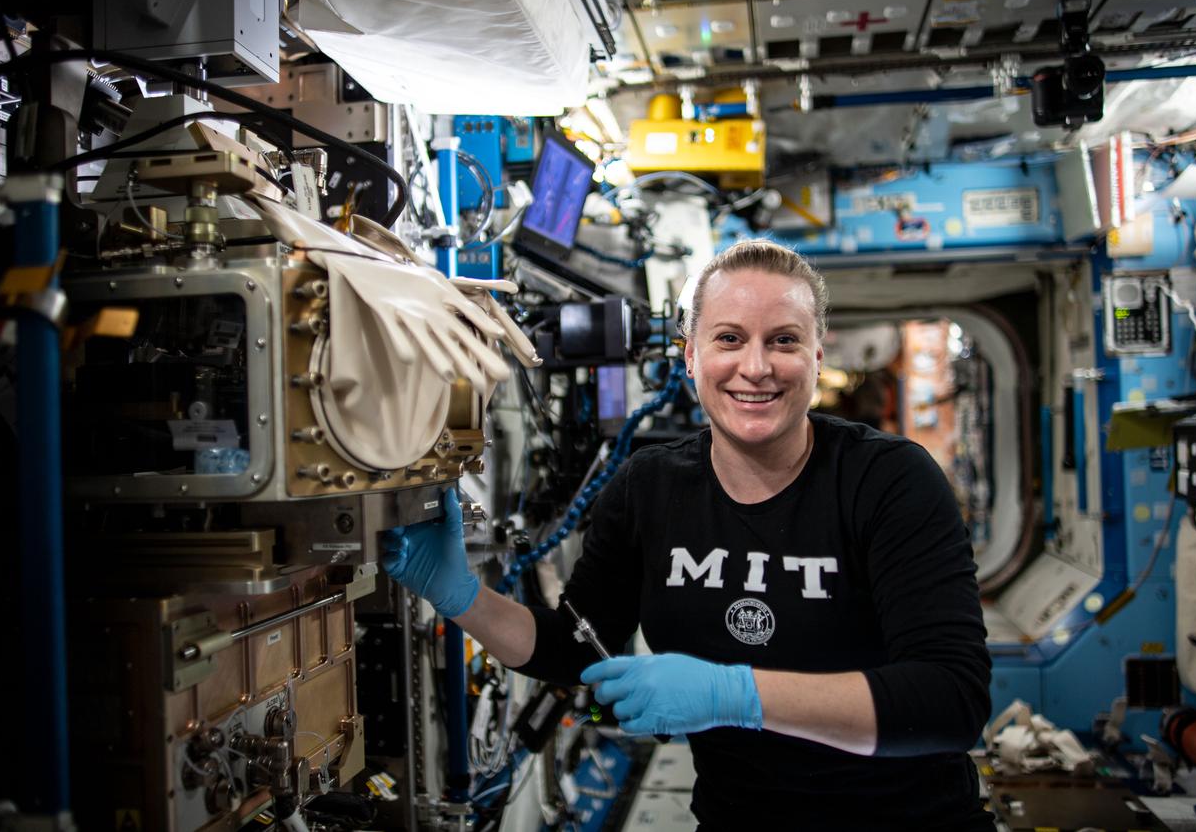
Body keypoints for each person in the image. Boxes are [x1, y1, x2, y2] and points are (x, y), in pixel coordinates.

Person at [384, 239, 993, 830]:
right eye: (729, 339)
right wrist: (460, 594)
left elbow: (949, 703)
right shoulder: (649, 487)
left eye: (784, 341)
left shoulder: (887, 481)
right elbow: (575, 648)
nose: (755, 368)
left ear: (817, 356)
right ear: (691, 356)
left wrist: (735, 695)